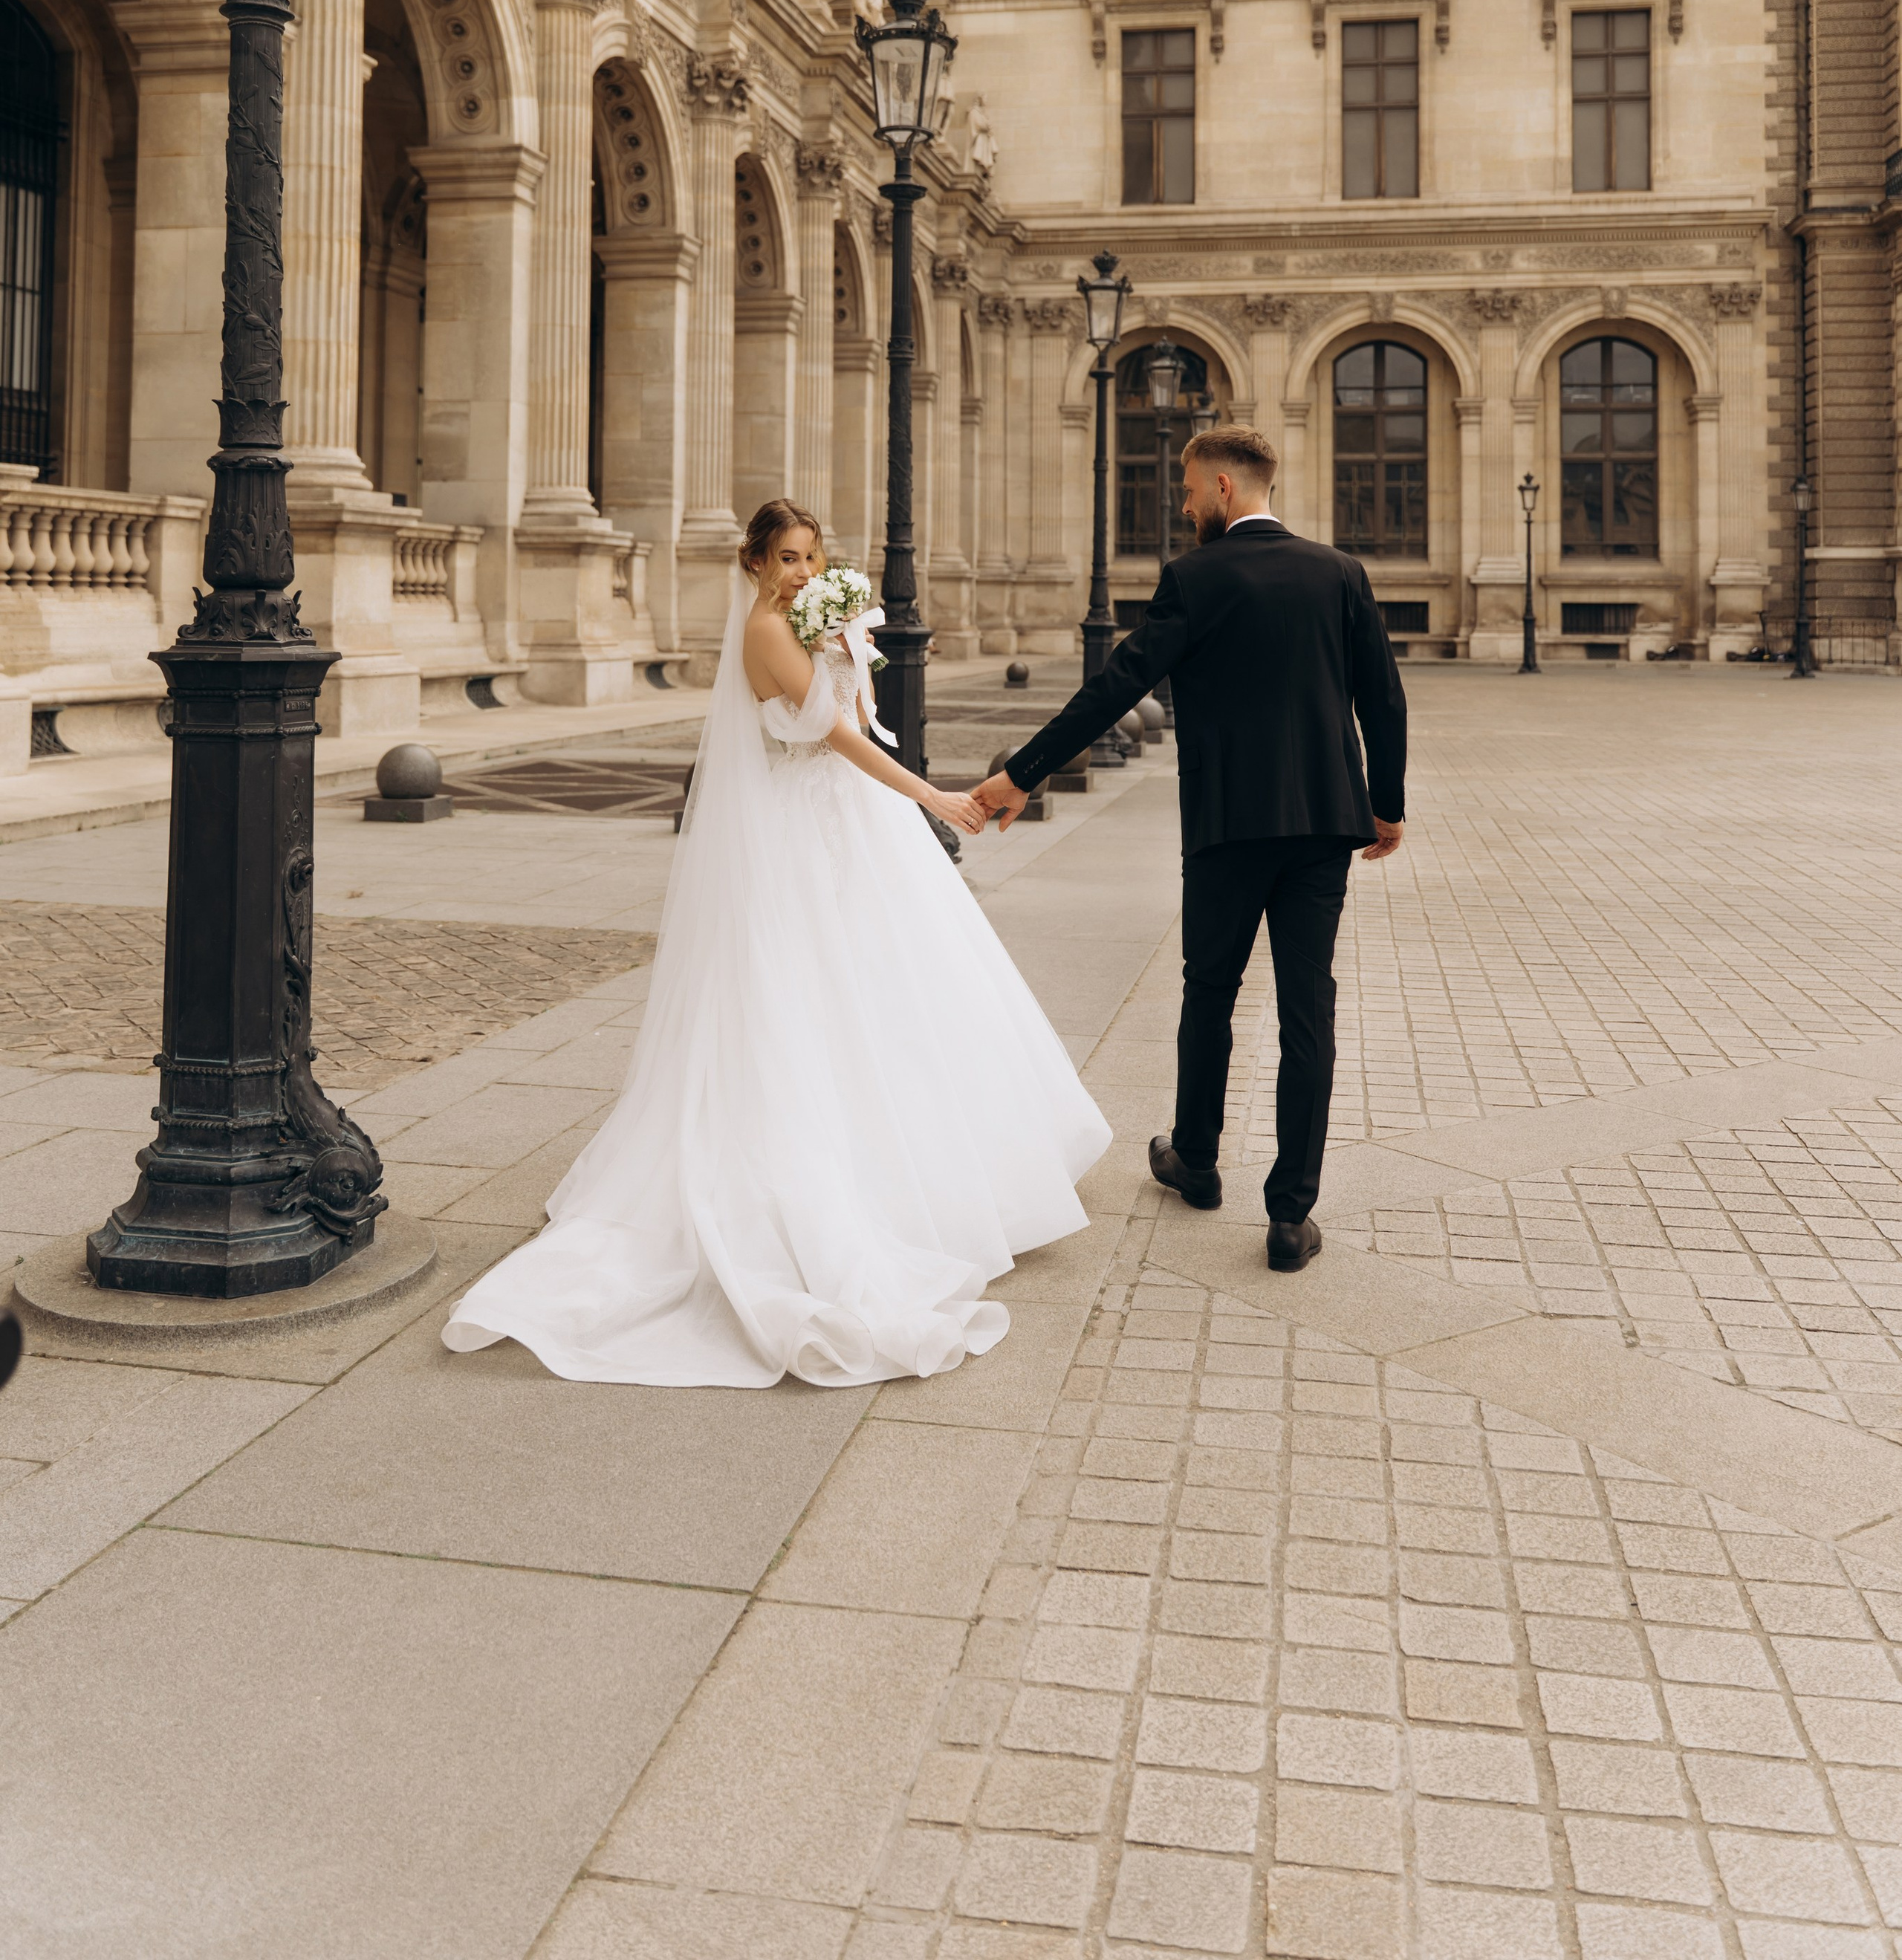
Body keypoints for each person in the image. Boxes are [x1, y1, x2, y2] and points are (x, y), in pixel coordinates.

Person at [443, 498, 1109, 1386]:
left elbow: (861, 710)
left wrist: (848, 647)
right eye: (784, 558)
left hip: (851, 830)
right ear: (754, 564)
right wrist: (934, 796)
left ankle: (942, 1176)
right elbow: (835, 740)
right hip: (805, 832)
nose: (798, 572)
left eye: (810, 557)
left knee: (896, 993)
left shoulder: (809, 625)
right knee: (806, 998)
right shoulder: (764, 632)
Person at [974, 426, 1406, 1272]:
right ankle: (1290, 1216)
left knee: (1209, 991)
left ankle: (1197, 1162)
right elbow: (1382, 701)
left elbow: (1116, 687)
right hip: (1323, 824)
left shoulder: (1195, 578)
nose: (1180, 505)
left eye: (1185, 490)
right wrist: (1383, 806)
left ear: (1220, 487)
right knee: (1305, 1008)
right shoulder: (1339, 573)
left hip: (1226, 825)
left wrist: (1021, 774)